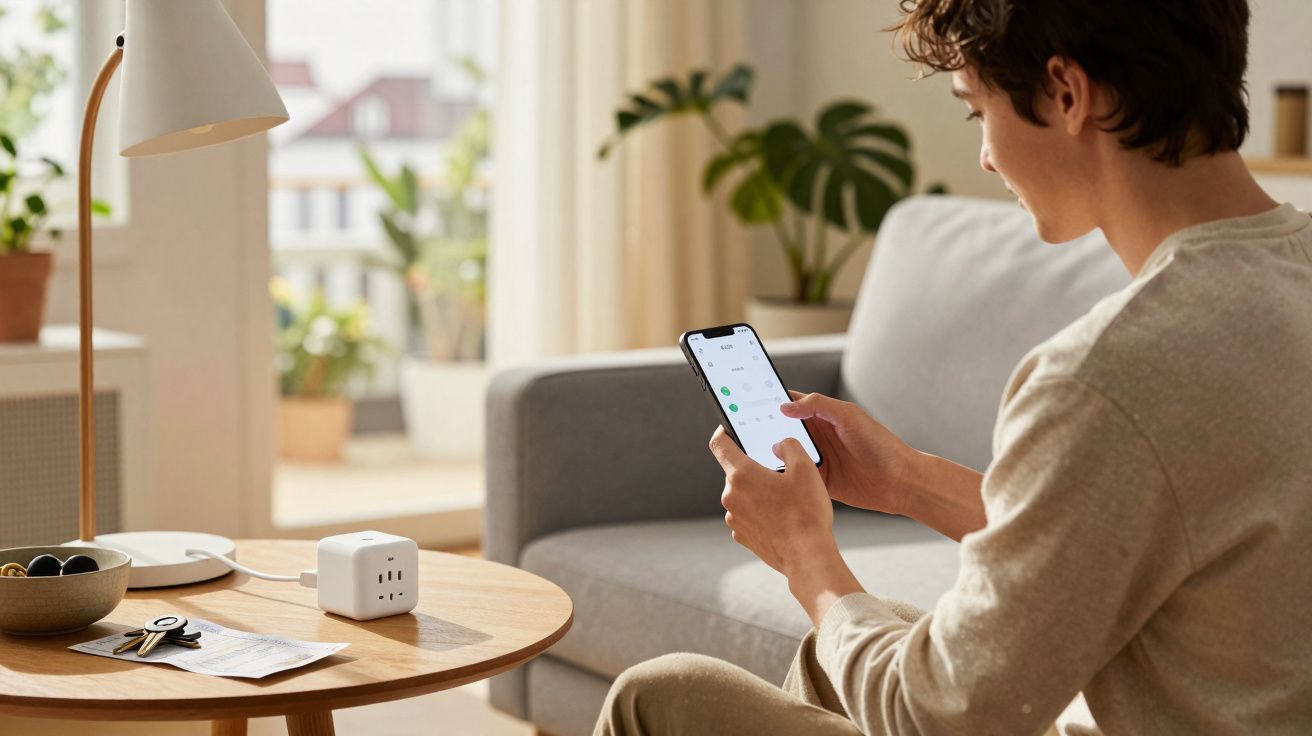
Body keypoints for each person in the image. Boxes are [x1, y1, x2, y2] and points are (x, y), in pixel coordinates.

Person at [594, 0, 1312, 734]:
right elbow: (1123, 532)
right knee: (833, 658)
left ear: (1068, 94)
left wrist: (805, 555)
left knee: (660, 695)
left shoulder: (1106, 374)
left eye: (977, 113)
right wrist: (904, 479)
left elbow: (931, 717)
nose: (987, 155)